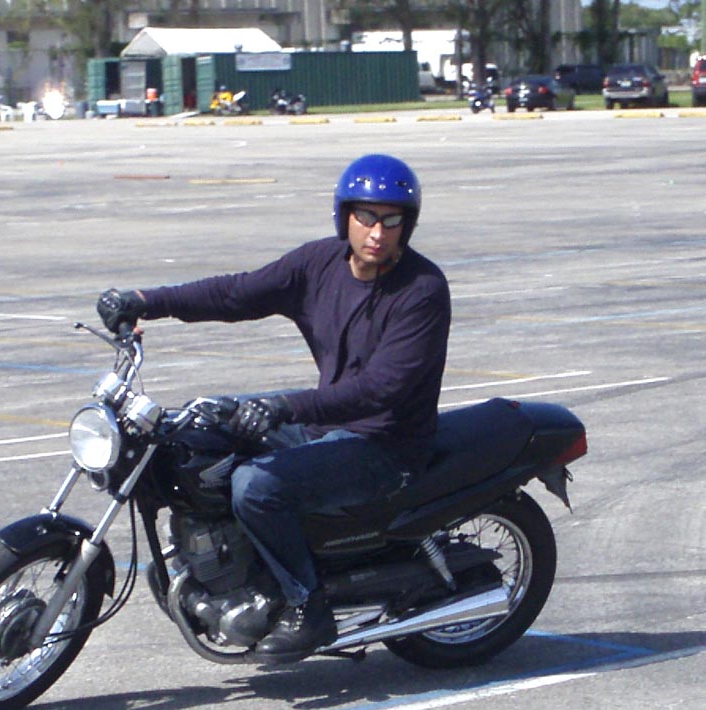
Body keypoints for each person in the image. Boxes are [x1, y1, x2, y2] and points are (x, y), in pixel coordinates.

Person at [97, 154, 451, 663]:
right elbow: (237, 294)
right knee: (193, 432)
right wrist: (146, 301)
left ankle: (307, 604)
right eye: (367, 217)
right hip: (325, 424)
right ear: (345, 216)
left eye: (392, 220)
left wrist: (283, 406)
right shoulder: (319, 264)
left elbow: (380, 389)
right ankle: (219, 566)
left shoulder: (422, 291)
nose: (378, 232)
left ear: (407, 225)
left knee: (256, 486)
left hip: (386, 445)